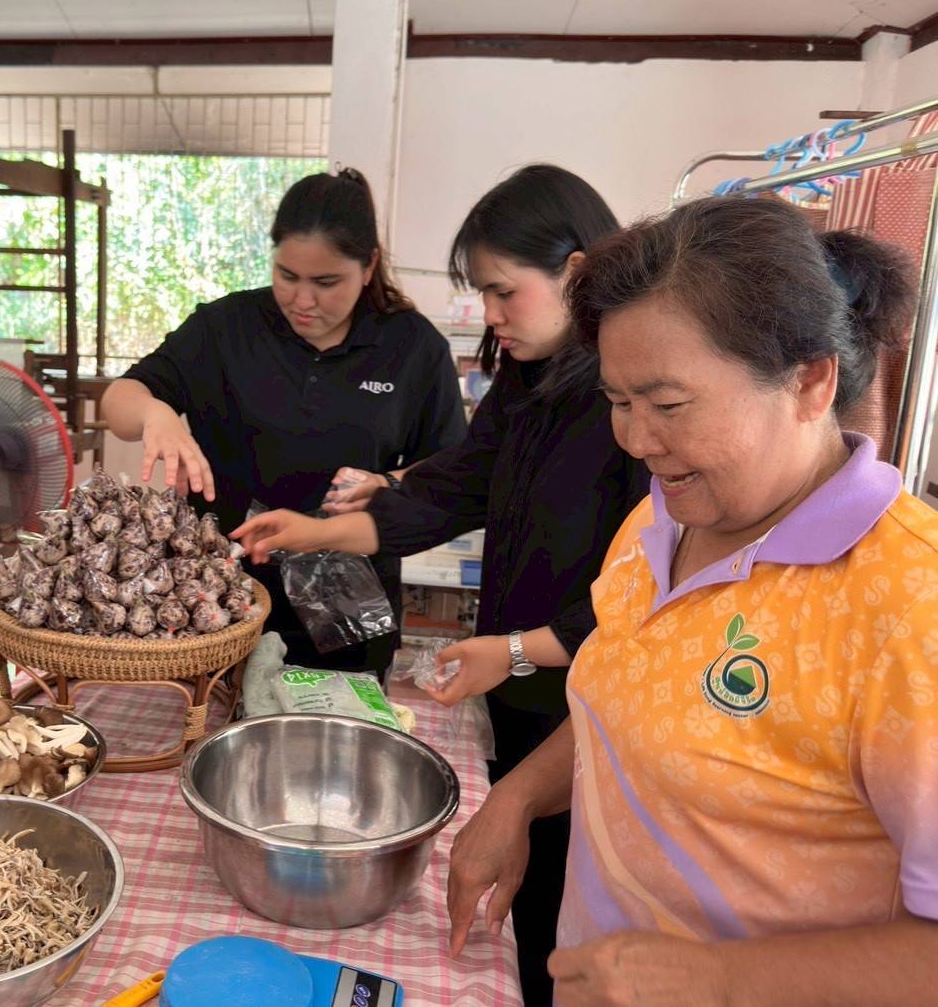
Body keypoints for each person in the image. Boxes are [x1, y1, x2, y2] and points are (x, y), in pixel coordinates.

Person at [447, 195, 938, 1006]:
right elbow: (633, 697)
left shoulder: (907, 609)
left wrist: (718, 979)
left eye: (668, 405)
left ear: (809, 381)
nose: (636, 440)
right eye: (616, 402)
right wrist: (519, 797)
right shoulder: (659, 518)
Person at [232, 164, 648, 1004]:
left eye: (502, 292)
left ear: (575, 271)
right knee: (525, 891)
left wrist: (521, 652)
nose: (488, 315)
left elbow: (633, 598)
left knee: (570, 905)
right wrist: (317, 531)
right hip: (524, 681)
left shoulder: (628, 405)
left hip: (589, 697)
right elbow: (451, 486)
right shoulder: (529, 383)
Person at [101, 168, 467, 678]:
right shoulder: (226, 328)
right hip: (215, 601)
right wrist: (154, 413)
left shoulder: (412, 349)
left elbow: (448, 474)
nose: (302, 300)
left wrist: (384, 485)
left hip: (347, 614)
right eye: (287, 276)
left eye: (326, 282)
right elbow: (119, 401)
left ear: (369, 267)